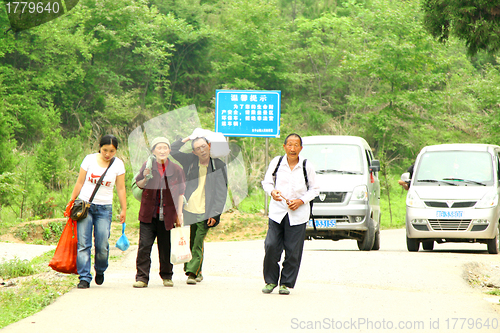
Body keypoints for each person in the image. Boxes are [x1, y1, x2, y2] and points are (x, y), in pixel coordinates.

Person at [261, 133, 319, 295]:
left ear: (301, 148)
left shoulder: (307, 166)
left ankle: (286, 283)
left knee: (293, 251)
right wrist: (272, 192)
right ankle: (271, 281)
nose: (292, 148)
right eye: (290, 145)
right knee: (271, 245)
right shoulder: (277, 162)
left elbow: (314, 189)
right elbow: (266, 182)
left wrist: (300, 201)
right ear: (284, 146)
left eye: (296, 145)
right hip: (277, 212)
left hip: (298, 214)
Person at [68, 134, 127, 289]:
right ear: (99, 147)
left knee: (102, 244)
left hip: (104, 208)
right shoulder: (89, 159)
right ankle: (84, 277)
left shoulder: (118, 165)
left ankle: (100, 269)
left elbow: (121, 188)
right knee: (84, 244)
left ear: (116, 151)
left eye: (112, 151)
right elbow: (80, 182)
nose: (108, 154)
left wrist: (124, 209)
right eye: (105, 150)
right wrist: (71, 201)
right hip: (84, 205)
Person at [170, 135, 227, 285]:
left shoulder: (218, 165)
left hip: (206, 210)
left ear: (209, 146)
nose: (202, 150)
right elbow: (173, 150)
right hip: (189, 208)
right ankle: (197, 270)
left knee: (198, 241)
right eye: (197, 148)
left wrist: (216, 213)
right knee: (190, 240)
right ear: (194, 152)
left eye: (204, 146)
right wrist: (186, 139)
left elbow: (222, 192)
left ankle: (192, 273)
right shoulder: (190, 161)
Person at [133, 137, 186, 288]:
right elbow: (139, 184)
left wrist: (180, 214)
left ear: (169, 150)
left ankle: (167, 276)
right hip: (148, 214)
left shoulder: (177, 169)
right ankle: (142, 278)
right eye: (159, 148)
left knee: (166, 247)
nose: (162, 151)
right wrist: (145, 176)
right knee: (144, 246)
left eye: (165, 148)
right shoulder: (147, 165)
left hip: (169, 215)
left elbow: (181, 193)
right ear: (153, 151)